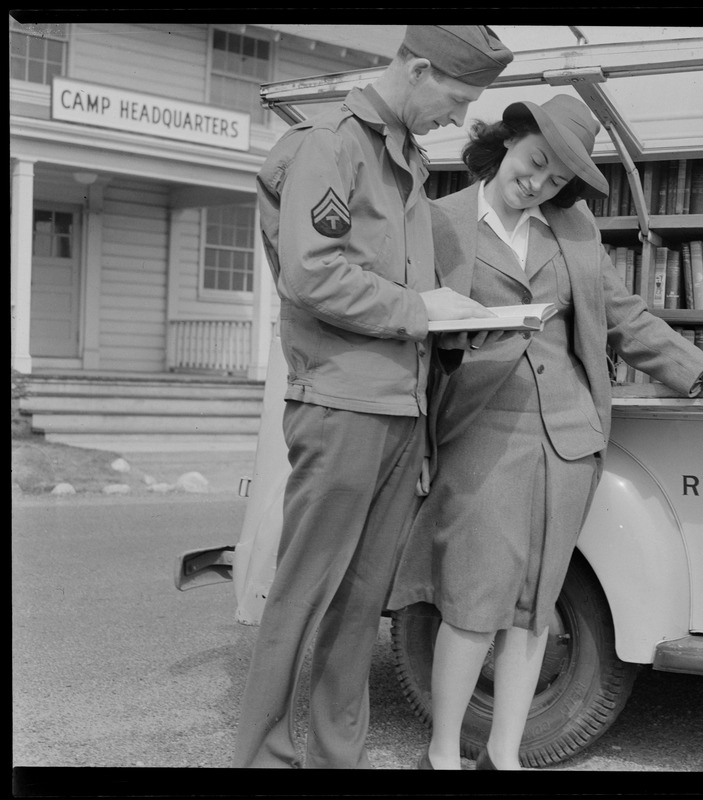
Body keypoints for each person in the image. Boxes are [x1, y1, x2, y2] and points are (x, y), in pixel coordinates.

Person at [387, 94, 703, 770]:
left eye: (556, 179)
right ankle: (440, 756)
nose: (539, 184)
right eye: (533, 164)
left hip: (570, 441)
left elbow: (625, 317)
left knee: (534, 609)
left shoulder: (573, 228)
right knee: (472, 603)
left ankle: (505, 756)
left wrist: (698, 369)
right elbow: (408, 335)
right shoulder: (439, 223)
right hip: (480, 435)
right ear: (506, 141)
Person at [232, 26, 514, 770]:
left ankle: (334, 758)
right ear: (419, 69)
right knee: (304, 597)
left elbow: (402, 293)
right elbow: (314, 275)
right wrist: (426, 310)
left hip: (397, 410)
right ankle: (264, 760)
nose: (459, 119)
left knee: (360, 607)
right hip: (341, 404)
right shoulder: (330, 144)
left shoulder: (408, 162)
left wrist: (454, 321)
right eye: (456, 98)